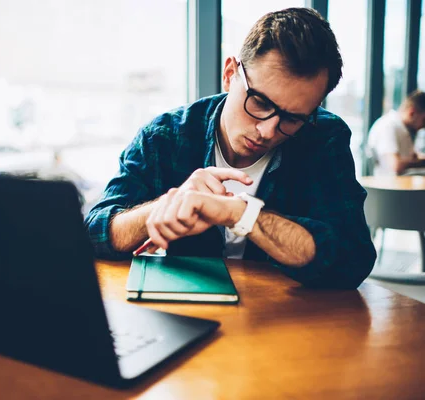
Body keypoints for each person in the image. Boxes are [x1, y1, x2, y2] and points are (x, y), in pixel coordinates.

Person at [84, 8, 376, 289]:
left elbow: (353, 259)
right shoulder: (165, 135)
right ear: (229, 74)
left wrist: (241, 214)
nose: (267, 131)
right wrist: (166, 206)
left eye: (292, 118)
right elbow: (93, 232)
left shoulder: (323, 136)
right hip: (184, 314)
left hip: (283, 321)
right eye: (260, 102)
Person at [367, 90, 425, 176]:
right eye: (424, 120)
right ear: (411, 113)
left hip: (401, 184)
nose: (423, 126)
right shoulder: (387, 126)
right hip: (389, 186)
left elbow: (414, 157)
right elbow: (396, 165)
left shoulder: (404, 129)